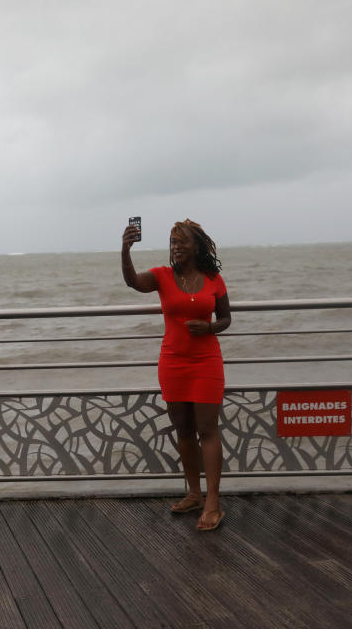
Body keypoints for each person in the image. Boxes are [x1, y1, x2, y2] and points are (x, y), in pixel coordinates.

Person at [121, 218, 231, 531]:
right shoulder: (162, 276)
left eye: (182, 241)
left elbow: (225, 318)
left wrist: (209, 327)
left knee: (207, 429)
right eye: (172, 242)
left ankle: (213, 502)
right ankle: (194, 494)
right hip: (173, 363)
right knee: (183, 429)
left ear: (196, 246)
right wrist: (125, 249)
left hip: (206, 361)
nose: (176, 247)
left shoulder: (213, 278)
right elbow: (132, 282)